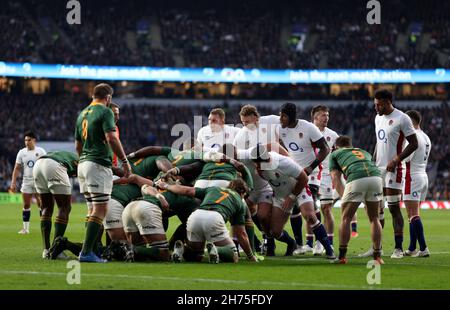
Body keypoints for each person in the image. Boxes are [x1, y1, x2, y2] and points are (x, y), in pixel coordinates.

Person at [75, 83, 131, 263]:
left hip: (83, 163)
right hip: (97, 164)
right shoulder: (105, 111)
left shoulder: (81, 114)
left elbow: (78, 145)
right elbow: (111, 138)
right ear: (108, 98)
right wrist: (124, 161)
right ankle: (86, 252)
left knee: (92, 209)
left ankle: (94, 250)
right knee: (100, 208)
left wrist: (85, 158)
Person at [249, 144, 335, 259]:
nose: (256, 166)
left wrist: (292, 196)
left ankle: (329, 250)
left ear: (266, 159)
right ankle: (292, 244)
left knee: (309, 216)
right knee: (274, 231)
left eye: (257, 163)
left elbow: (304, 178)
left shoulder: (284, 163)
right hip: (281, 196)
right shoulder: (260, 169)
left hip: (299, 191)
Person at [360, 89, 418, 259]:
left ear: (387, 102)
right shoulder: (378, 118)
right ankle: (376, 248)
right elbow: (379, 143)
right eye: (374, 104)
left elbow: (413, 144)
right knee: (377, 211)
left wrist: (396, 160)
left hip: (395, 169)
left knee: (393, 208)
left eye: (378, 104)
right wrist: (372, 161)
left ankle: (398, 248)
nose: (376, 107)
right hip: (378, 169)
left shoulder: (402, 118)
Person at [157, 179, 258, 263]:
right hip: (215, 218)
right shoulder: (240, 202)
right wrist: (250, 255)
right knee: (233, 256)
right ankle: (216, 250)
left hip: (195, 216)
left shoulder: (214, 189)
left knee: (195, 256)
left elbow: (186, 190)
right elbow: (241, 234)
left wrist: (166, 185)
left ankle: (182, 250)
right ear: (242, 192)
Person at [277, 103, 330, 255]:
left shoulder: (308, 127)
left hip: (311, 172)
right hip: (294, 172)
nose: (281, 119)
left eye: (284, 116)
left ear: (292, 116)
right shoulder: (280, 129)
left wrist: (311, 167)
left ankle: (320, 242)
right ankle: (300, 245)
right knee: (294, 209)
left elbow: (325, 149)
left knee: (310, 206)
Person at [329, 136, 383, 264]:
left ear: (337, 146)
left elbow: (336, 178)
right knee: (374, 218)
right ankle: (377, 257)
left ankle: (342, 257)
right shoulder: (364, 152)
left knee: (346, 218)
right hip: (376, 178)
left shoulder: (335, 154)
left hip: (357, 177)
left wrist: (344, 197)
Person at [33, 151, 78, 259]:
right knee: (64, 207)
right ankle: (55, 250)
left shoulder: (65, 155)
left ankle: (46, 250)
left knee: (46, 208)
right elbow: (81, 174)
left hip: (38, 165)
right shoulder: (81, 160)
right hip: (54, 165)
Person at [311, 105, 340, 251]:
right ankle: (313, 242)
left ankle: (328, 242)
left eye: (327, 115)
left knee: (326, 209)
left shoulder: (333, 135)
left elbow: (338, 155)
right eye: (323, 115)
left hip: (327, 175)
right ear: (315, 117)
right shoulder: (307, 131)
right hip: (311, 173)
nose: (326, 118)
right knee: (311, 209)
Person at [403, 110, 431, 257]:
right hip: (423, 176)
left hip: (412, 176)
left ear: (410, 121)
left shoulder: (412, 138)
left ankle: (424, 247)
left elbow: (406, 159)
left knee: (413, 214)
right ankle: (412, 247)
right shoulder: (426, 137)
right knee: (413, 215)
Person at [9, 131, 46, 234]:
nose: (26, 142)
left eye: (28, 140)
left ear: (34, 140)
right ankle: (25, 229)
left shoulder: (41, 151)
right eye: (25, 140)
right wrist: (13, 182)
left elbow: (46, 165)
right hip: (26, 181)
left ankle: (44, 227)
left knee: (41, 204)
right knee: (26, 205)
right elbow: (16, 168)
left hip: (39, 181)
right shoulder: (21, 152)